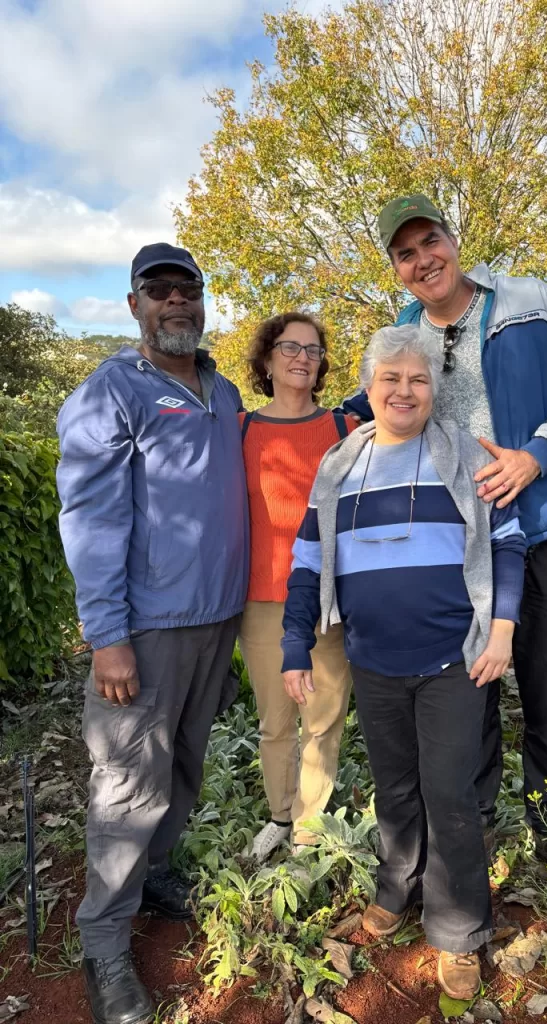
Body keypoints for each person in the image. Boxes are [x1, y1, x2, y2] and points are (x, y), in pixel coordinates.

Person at [342, 195, 547, 860]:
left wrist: (535, 456)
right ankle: (476, 830)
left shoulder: (534, 304)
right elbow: (386, 407)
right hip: (453, 547)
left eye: (430, 241)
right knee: (467, 692)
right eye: (405, 253)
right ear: (395, 267)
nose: (423, 260)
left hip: (543, 528)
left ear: (452, 238)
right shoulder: (402, 331)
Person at [282, 326, 527, 1000]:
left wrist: (501, 632)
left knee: (449, 794)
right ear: (368, 387)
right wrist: (295, 641)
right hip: (373, 660)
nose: (404, 390)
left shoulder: (465, 455)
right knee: (394, 788)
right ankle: (398, 887)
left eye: (418, 379)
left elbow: (507, 542)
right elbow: (307, 560)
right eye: (390, 378)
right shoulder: (339, 465)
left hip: (455, 660)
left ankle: (459, 928)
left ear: (434, 390)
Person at [56, 243, 249, 1024]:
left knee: (183, 767)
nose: (176, 301)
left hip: (217, 619)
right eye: (158, 290)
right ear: (134, 304)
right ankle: (104, 942)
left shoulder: (224, 390)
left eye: (187, 289)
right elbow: (92, 519)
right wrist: (107, 636)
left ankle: (154, 875)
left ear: (202, 299)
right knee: (129, 783)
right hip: (146, 628)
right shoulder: (112, 392)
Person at [238, 312, 356, 861]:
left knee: (323, 719)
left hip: (329, 597)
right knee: (276, 722)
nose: (302, 358)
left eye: (312, 349)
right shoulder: (240, 430)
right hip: (263, 596)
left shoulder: (346, 430)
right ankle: (280, 815)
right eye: (289, 347)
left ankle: (309, 830)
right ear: (267, 360)